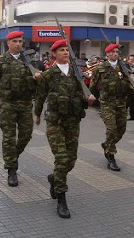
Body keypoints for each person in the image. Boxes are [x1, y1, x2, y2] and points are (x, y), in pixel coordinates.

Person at [0, 31, 40, 187]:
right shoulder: (0, 62)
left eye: (20, 41)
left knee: (26, 135)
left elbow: (38, 83)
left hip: (25, 104)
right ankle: (11, 169)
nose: (19, 44)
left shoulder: (30, 61)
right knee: (9, 138)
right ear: (8, 43)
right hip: (8, 104)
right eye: (15, 41)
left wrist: (38, 79)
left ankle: (12, 157)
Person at [34, 39, 90, 219]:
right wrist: (36, 114)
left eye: (67, 49)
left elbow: (83, 92)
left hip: (73, 121)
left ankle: (54, 178)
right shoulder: (49, 74)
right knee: (62, 158)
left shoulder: (76, 73)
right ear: (54, 54)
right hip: (55, 122)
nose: (66, 52)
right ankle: (61, 198)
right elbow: (40, 96)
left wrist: (88, 98)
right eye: (61, 50)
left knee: (71, 160)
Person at [88, 44, 134, 171]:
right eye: (113, 52)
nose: (116, 53)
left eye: (117, 52)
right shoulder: (101, 67)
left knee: (121, 129)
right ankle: (111, 156)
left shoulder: (123, 67)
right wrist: (88, 98)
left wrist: (133, 86)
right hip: (107, 103)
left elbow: (128, 81)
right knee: (111, 129)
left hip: (121, 102)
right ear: (107, 54)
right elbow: (93, 84)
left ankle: (107, 144)